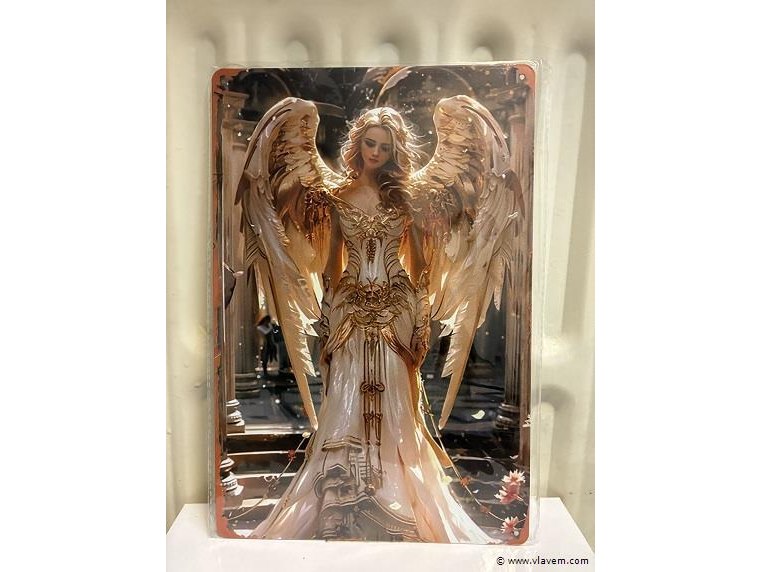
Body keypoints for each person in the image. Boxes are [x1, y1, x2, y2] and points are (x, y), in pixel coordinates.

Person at [236, 96, 521, 542]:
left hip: (397, 310)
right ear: (358, 145)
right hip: (349, 311)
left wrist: (420, 319)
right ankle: (342, 503)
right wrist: (329, 318)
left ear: (394, 151)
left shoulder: (407, 198)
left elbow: (421, 265)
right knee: (345, 395)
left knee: (396, 400)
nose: (376, 152)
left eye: (384, 147)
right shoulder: (337, 197)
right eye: (370, 144)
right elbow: (331, 265)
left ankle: (398, 500)